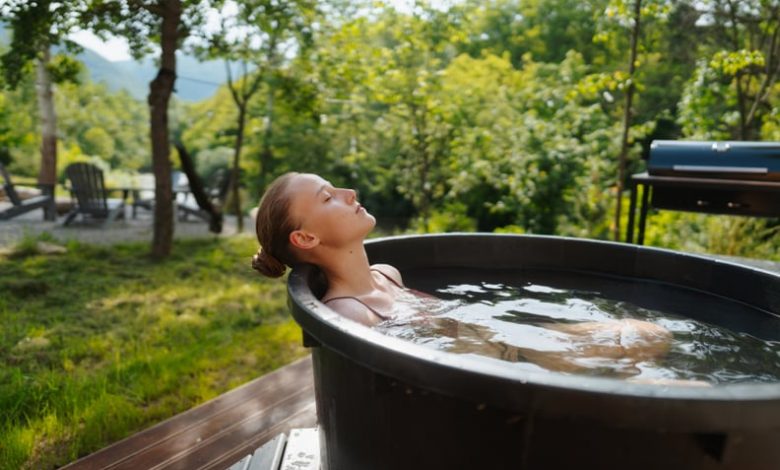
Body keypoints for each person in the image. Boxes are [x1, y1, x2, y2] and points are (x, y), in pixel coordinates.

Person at [252, 172, 707, 385]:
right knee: (686, 396)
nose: (350, 192)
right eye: (328, 196)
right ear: (306, 236)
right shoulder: (348, 311)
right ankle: (622, 382)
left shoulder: (387, 275)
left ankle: (623, 375)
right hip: (510, 370)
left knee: (649, 333)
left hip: (519, 340)